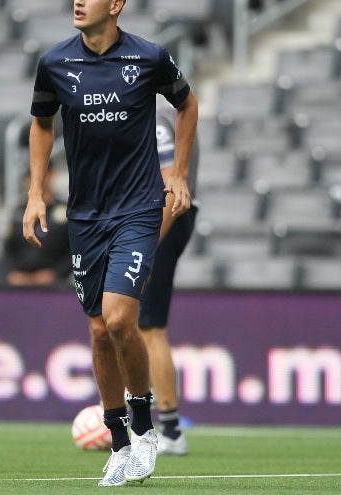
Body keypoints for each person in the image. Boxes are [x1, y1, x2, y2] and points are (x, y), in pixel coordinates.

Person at [23, 0, 198, 487]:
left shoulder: (148, 57)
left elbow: (187, 106)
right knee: (99, 329)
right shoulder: (55, 63)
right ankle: (119, 442)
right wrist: (35, 192)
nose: (78, 1)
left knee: (122, 319)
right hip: (86, 214)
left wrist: (180, 175)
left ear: (115, 5)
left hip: (139, 207)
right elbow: (40, 123)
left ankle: (145, 431)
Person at [139, 101, 200, 456]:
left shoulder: (156, 112)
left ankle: (172, 431)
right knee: (141, 324)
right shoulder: (170, 110)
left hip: (162, 215)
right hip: (167, 213)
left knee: (150, 326)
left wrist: (148, 243)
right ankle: (152, 422)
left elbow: (168, 179)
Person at [3, 162, 71, 287]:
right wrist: (12, 272)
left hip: (57, 285)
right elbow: (8, 247)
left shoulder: (66, 210)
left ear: (51, 175)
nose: (32, 180)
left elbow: (74, 249)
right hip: (20, 283)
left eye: (37, 174)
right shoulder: (19, 211)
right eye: (29, 175)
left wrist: (56, 273)